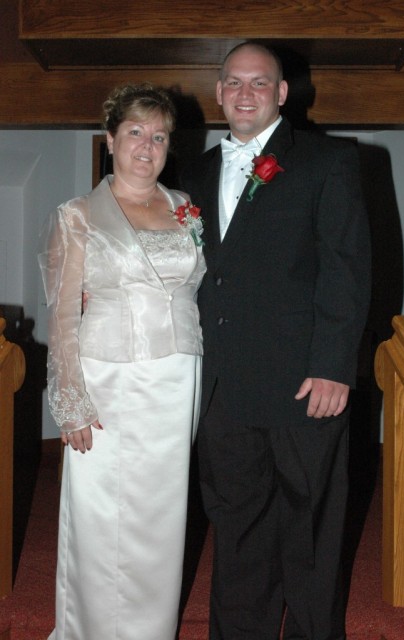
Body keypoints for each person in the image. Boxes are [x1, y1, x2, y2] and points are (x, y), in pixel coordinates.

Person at [180, 43, 371, 640]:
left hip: (304, 385)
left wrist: (334, 366)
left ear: (282, 93)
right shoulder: (192, 175)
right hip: (222, 388)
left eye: (259, 82)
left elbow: (346, 270)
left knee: (310, 531)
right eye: (234, 82)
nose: (245, 93)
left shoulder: (326, 161)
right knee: (237, 530)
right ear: (218, 92)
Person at [38, 83, 206, 640]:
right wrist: (71, 402)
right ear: (110, 139)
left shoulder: (184, 206)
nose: (146, 146)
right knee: (101, 515)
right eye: (135, 132)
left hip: (176, 378)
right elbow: (63, 317)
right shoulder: (78, 215)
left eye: (159, 136)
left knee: (160, 517)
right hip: (107, 381)